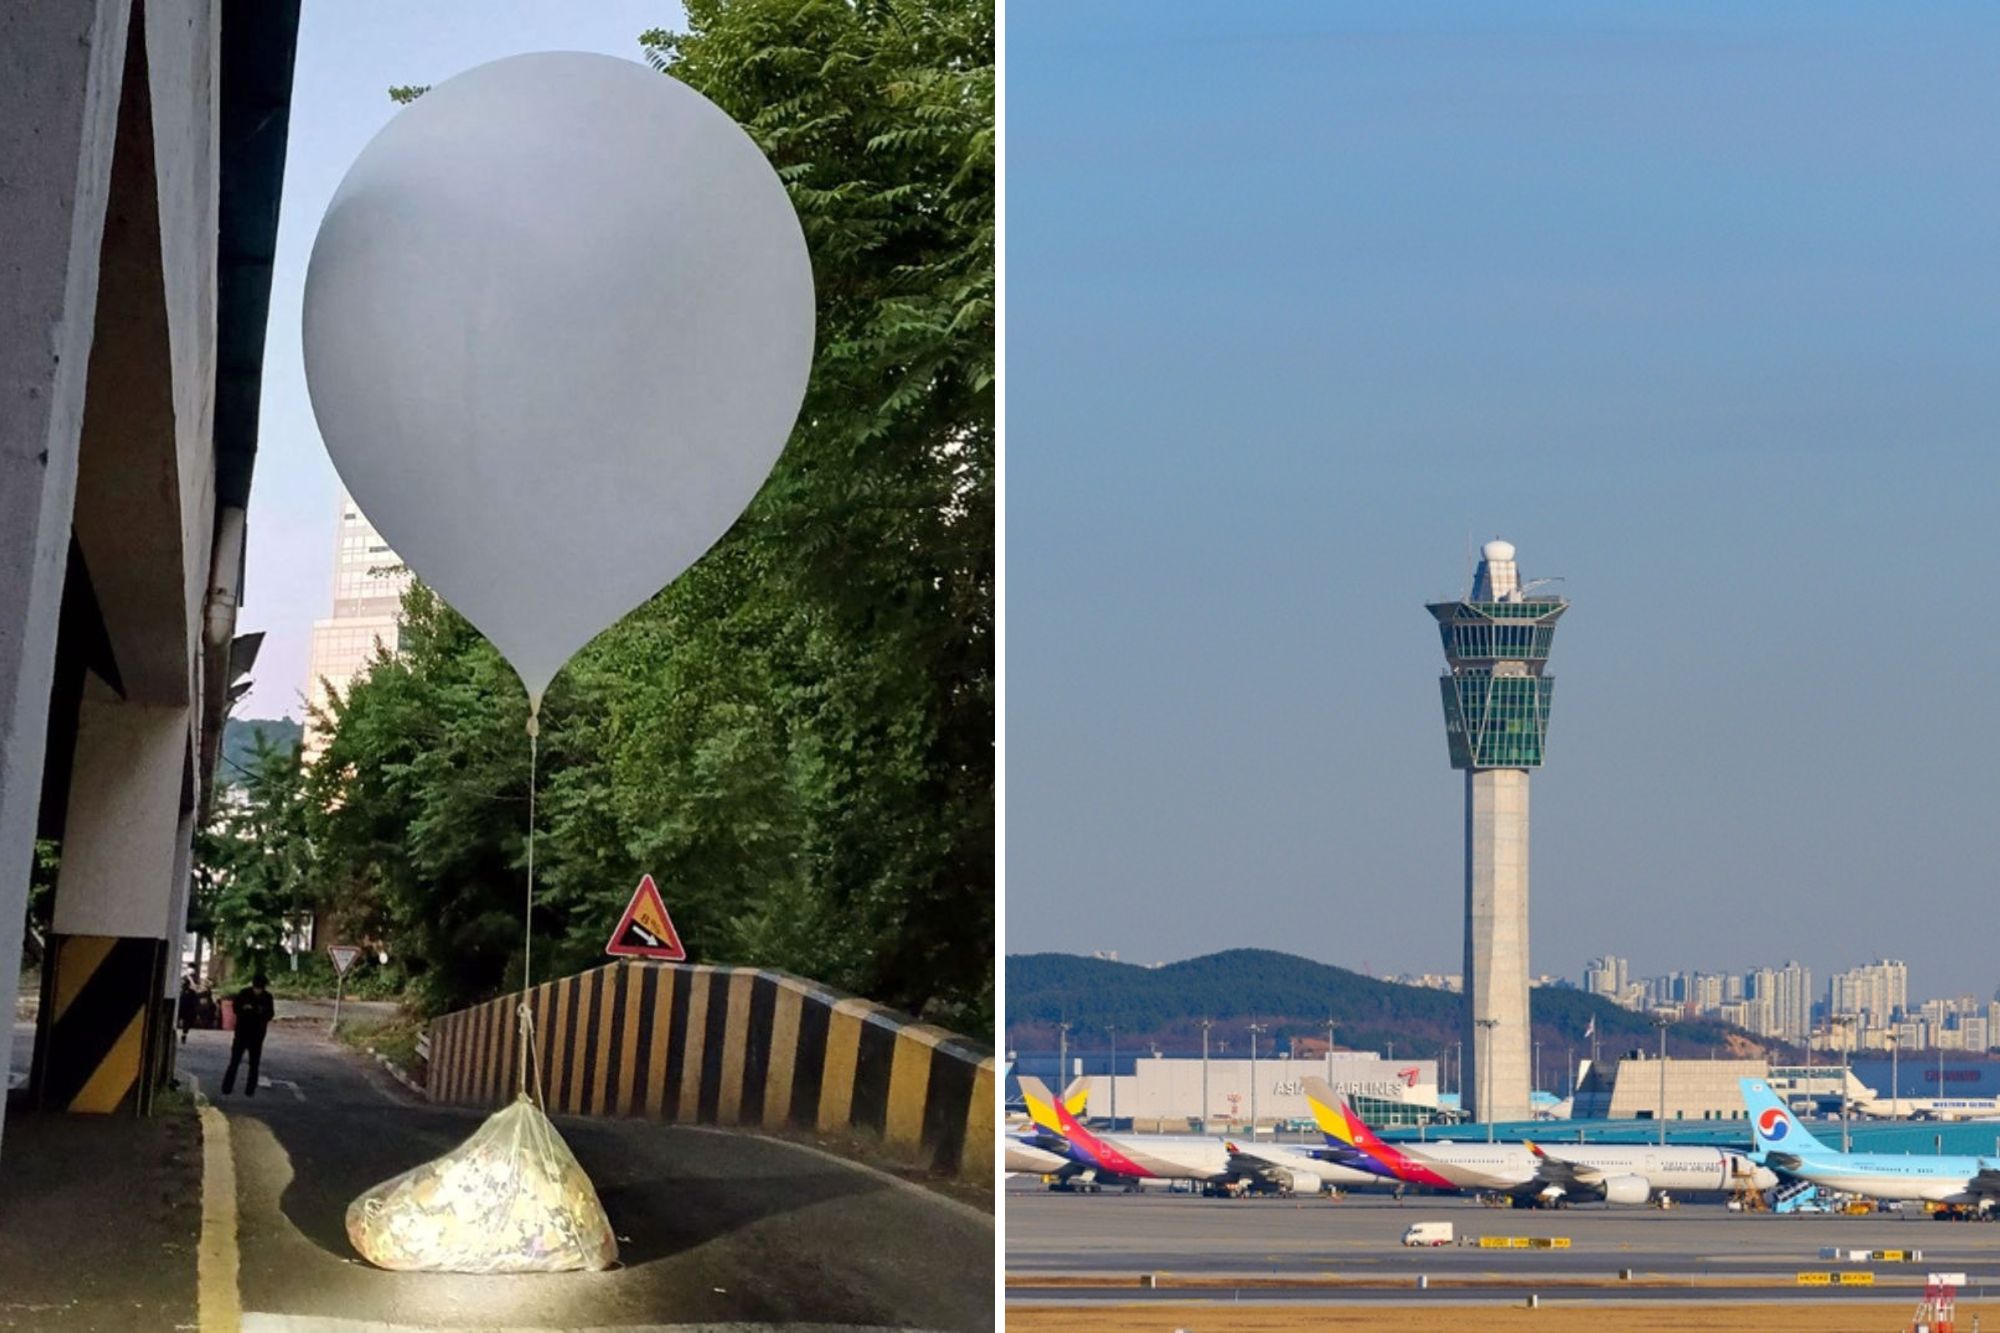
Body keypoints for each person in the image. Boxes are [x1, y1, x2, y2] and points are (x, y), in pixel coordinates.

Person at [222, 972, 276, 1096]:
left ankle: (250, 1089)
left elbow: (270, 1014)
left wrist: (258, 1012)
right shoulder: (244, 993)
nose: (258, 991)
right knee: (234, 1061)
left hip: (257, 1035)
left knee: (254, 1064)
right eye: (257, 988)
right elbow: (236, 1008)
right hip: (242, 1032)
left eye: (260, 988)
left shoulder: (267, 998)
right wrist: (245, 1010)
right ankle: (227, 1087)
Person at [177, 971, 200, 1044]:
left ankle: (183, 1034)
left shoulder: (184, 990)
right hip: (187, 1008)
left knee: (184, 1021)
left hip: (184, 1007)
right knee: (186, 1022)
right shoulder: (190, 991)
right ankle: (184, 1034)